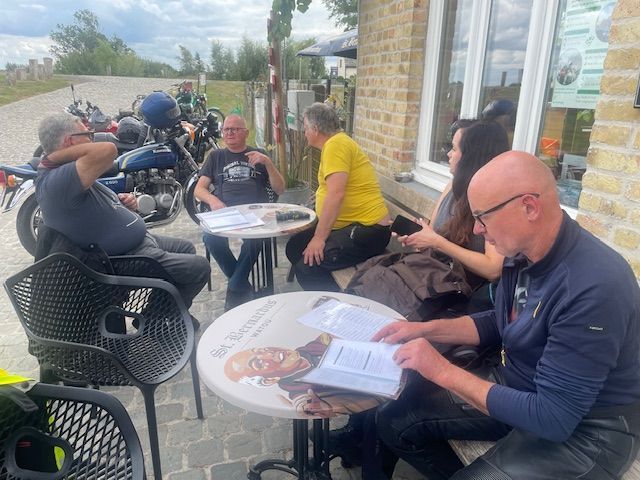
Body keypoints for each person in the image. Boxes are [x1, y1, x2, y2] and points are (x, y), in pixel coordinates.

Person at [367, 151, 640, 479]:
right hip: (522, 386)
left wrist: (439, 369)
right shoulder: (521, 252)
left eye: (482, 217)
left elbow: (554, 417)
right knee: (394, 418)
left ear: (529, 207)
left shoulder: (594, 285)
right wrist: (423, 330)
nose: (477, 229)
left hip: (589, 430)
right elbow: (499, 321)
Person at [331, 119, 509, 467]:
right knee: (373, 331)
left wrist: (436, 242)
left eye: (455, 148)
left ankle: (368, 442)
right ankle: (357, 432)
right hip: (429, 282)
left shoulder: (489, 203)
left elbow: (493, 268)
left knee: (390, 349)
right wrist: (421, 237)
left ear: (473, 155)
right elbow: (433, 231)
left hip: (457, 299)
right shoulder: (451, 187)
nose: (449, 154)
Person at [35, 113, 210, 313]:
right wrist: (51, 157)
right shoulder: (57, 180)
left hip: (138, 244)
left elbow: (87, 212)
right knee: (198, 267)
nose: (92, 138)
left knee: (186, 248)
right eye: (87, 134)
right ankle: (156, 320)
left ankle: (162, 313)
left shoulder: (67, 172)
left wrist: (123, 205)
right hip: (121, 259)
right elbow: (108, 149)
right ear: (69, 141)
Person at [286, 102, 391, 291]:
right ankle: (327, 290)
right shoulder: (336, 143)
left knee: (307, 268)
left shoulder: (336, 145)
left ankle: (340, 305)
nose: (304, 133)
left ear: (315, 129)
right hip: (350, 226)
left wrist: (319, 238)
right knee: (295, 246)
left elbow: (336, 194)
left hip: (368, 231)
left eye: (305, 128)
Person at [194, 115, 285, 309]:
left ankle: (236, 288)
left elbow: (280, 189)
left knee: (255, 239)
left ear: (246, 133)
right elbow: (199, 189)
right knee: (210, 238)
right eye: (226, 129)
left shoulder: (259, 155)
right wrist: (213, 200)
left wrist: (268, 163)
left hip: (255, 213)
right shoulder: (216, 156)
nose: (230, 133)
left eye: (235, 129)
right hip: (225, 212)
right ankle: (241, 285)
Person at [224, 334, 386, 416]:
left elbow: (328, 336)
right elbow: (306, 404)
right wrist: (313, 407)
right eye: (259, 363)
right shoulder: (302, 393)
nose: (269, 353)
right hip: (383, 391)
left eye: (262, 350)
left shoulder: (307, 350)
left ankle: (352, 435)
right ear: (269, 380)